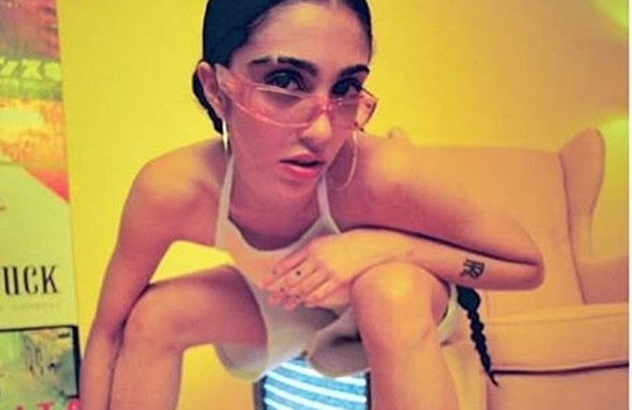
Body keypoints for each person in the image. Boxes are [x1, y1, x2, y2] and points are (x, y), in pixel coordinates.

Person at [79, 0, 544, 409]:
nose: (322, 132)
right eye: (285, 81)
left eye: (345, 88)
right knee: (153, 315)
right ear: (216, 88)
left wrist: (377, 248)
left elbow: (526, 265)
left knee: (388, 291)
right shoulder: (174, 189)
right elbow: (106, 332)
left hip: (402, 305)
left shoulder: (383, 173)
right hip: (293, 303)